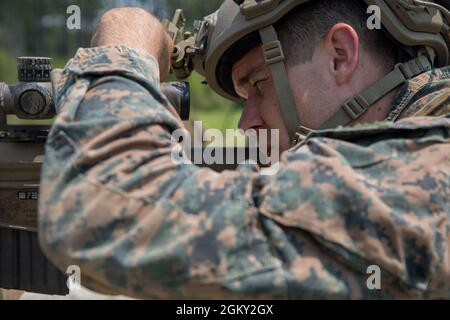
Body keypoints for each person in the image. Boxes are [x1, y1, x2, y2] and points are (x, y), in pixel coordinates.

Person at [38, 0, 450, 299]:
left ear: (340, 56)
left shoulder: (421, 170)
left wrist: (124, 46)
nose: (245, 123)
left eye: (259, 84)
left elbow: (100, 214)